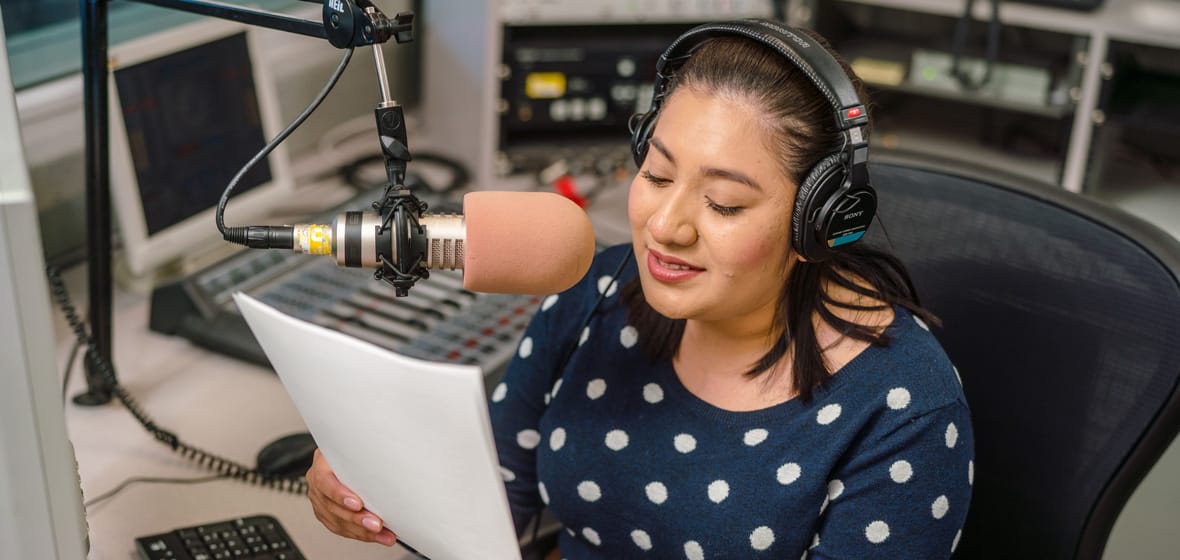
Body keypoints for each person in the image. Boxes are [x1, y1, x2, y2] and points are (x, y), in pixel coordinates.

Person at [306, 19, 974, 559]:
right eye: (656, 175)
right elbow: (489, 504)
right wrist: (381, 493)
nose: (664, 226)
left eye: (723, 204)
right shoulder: (595, 289)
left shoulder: (905, 405)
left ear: (820, 224)